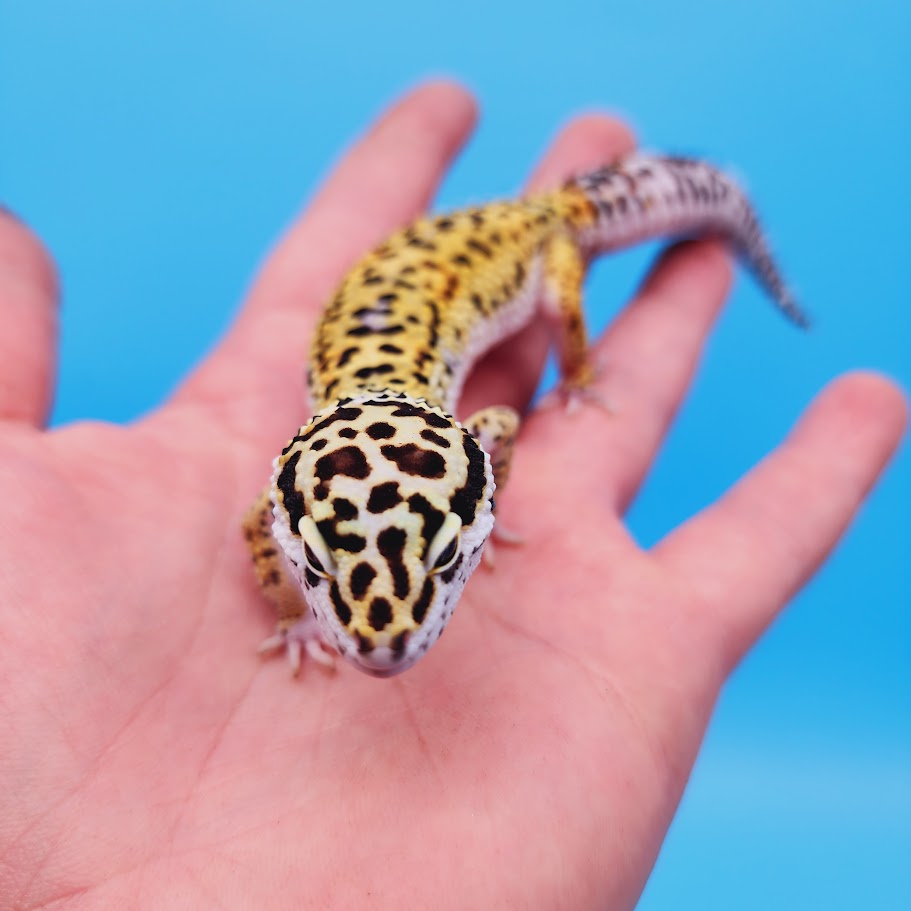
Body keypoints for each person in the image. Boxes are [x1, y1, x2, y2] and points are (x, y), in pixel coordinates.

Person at [0, 82, 904, 910]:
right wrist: (299, 610)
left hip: (523, 242)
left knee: (561, 295)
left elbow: (503, 431)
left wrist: (564, 387)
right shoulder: (297, 499)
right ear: (289, 497)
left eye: (436, 562)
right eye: (322, 569)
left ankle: (665, 275)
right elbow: (263, 529)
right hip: (411, 300)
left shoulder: (481, 440)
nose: (386, 635)